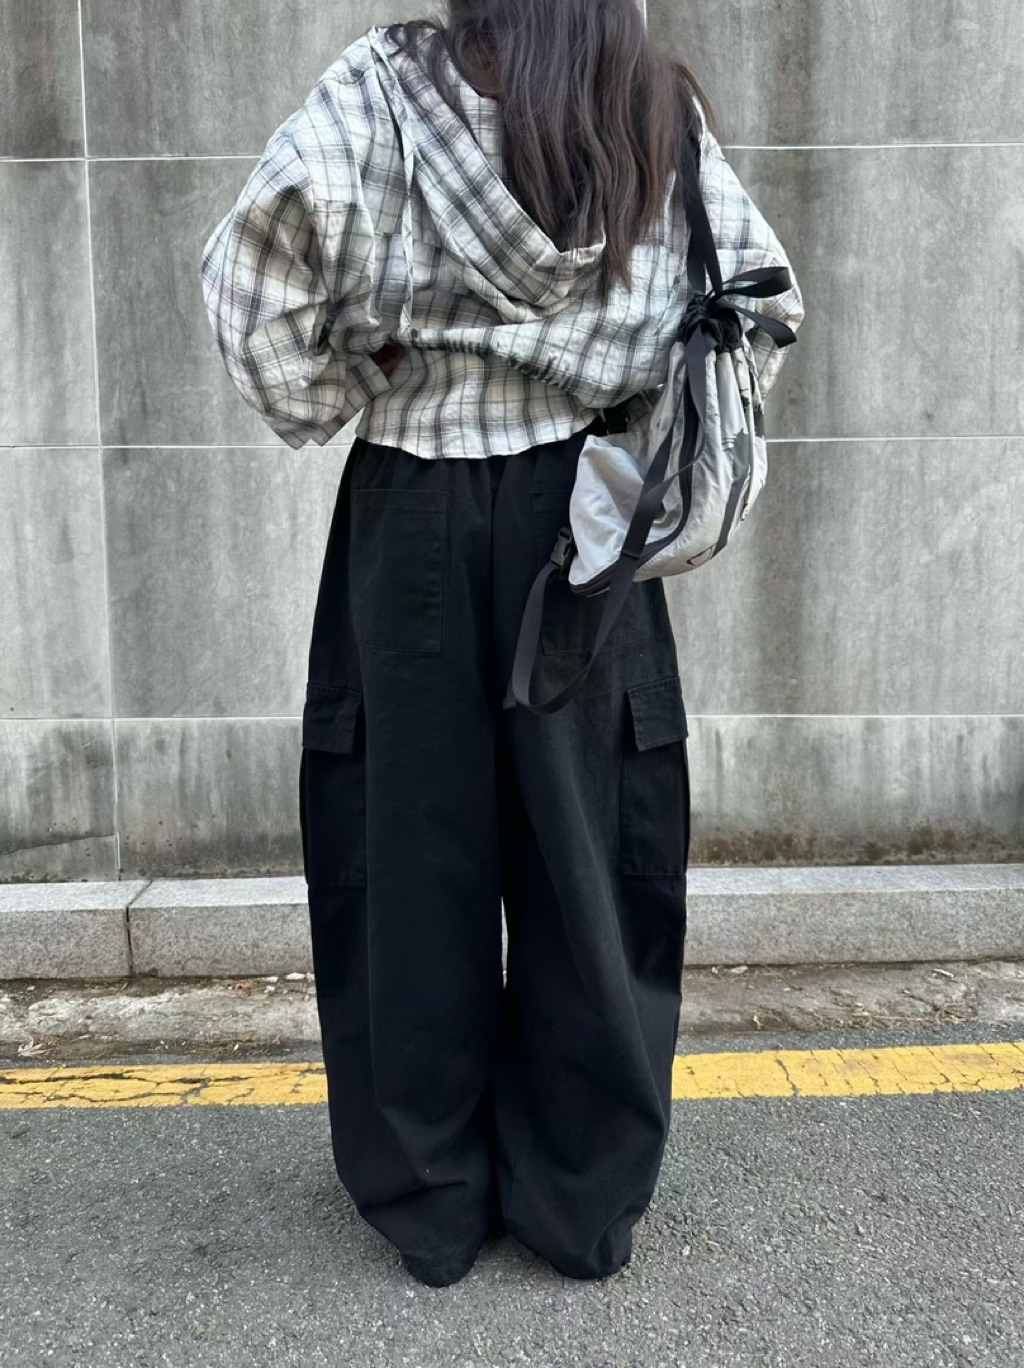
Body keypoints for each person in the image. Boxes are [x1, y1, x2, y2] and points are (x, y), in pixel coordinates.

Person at [200, 0, 804, 1288]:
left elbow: (254, 302)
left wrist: (359, 375)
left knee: (409, 852)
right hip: (583, 515)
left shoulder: (385, 91)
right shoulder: (646, 102)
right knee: (591, 851)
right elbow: (756, 295)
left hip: (410, 513)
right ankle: (579, 1196)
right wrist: (623, 378)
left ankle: (430, 1199)